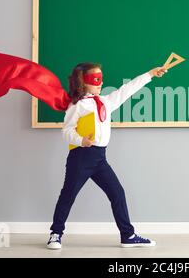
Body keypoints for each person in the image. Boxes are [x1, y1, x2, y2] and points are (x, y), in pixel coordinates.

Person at [47, 63, 167, 249]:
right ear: (82, 82)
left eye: (101, 79)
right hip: (81, 157)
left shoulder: (105, 101)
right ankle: (56, 233)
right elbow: (66, 131)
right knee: (68, 195)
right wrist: (80, 140)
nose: (100, 83)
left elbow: (127, 89)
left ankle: (128, 235)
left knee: (117, 193)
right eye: (95, 80)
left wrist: (150, 74)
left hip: (100, 158)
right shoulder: (77, 105)